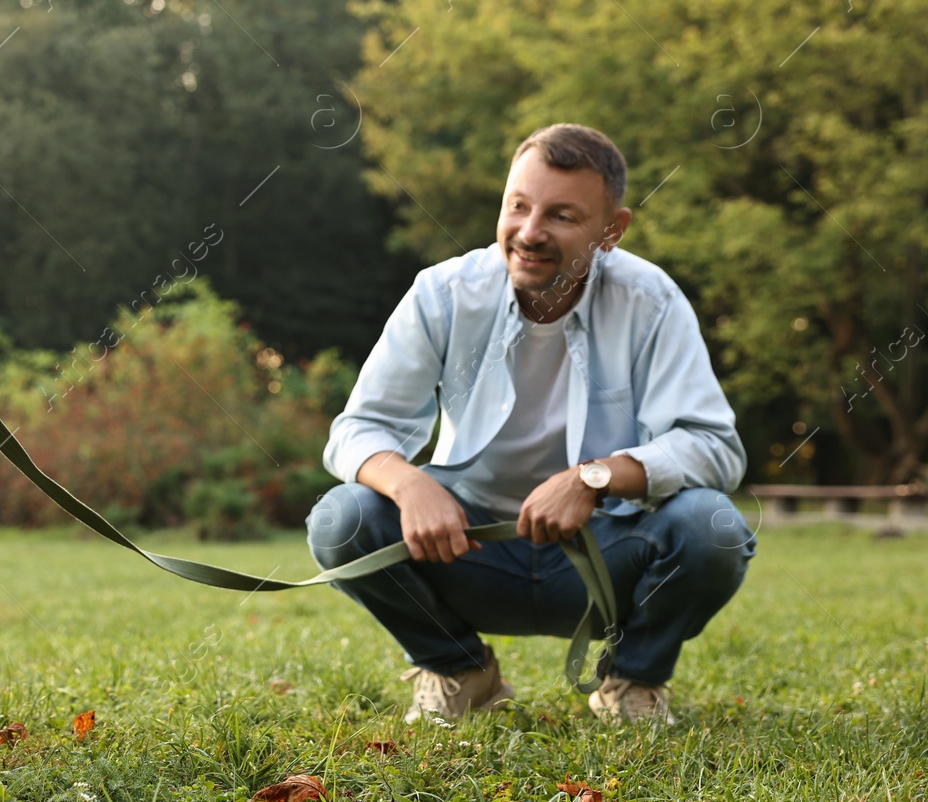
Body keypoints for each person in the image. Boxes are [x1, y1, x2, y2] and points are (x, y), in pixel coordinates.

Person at [307, 123, 754, 724]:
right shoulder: (443, 294)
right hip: (465, 552)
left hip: (607, 556)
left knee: (715, 526)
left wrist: (593, 478)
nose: (530, 233)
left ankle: (632, 682)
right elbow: (357, 430)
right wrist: (412, 485)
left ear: (611, 231)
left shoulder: (652, 300)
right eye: (518, 206)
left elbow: (715, 448)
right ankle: (460, 670)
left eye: (563, 216)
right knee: (343, 517)